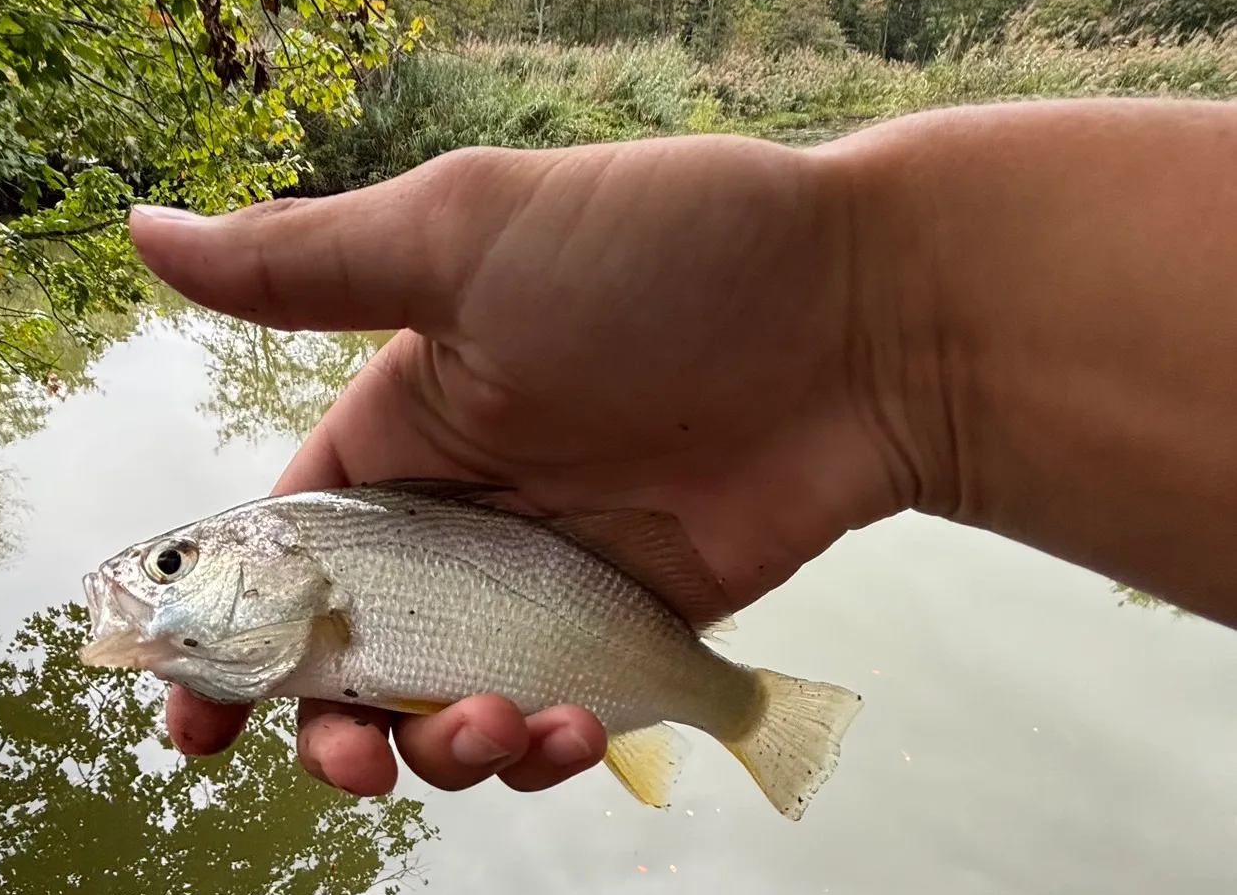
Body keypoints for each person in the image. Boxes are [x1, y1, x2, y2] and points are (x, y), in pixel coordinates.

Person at [130, 98, 1237, 798]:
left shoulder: (319, 563)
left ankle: (746, 706)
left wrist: (863, 305)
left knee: (462, 737)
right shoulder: (308, 586)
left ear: (267, 563)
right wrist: (873, 325)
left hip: (614, 603)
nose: (155, 581)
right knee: (483, 734)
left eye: (172, 565)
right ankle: (733, 704)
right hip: (602, 621)